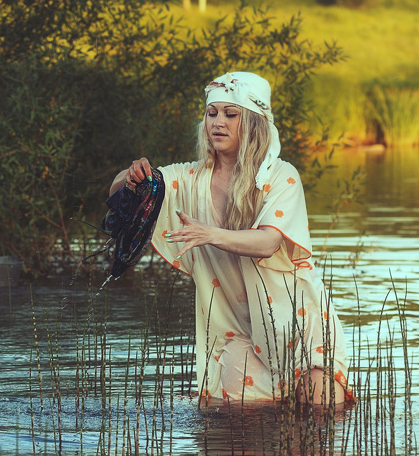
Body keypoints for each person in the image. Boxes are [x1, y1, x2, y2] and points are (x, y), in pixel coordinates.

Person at [109, 71, 352, 406]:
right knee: (240, 424)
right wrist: (132, 177)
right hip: (236, 332)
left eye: (230, 114)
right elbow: (117, 192)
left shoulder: (281, 176)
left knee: (320, 407)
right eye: (212, 113)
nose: (217, 122)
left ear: (253, 122)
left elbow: (268, 243)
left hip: (297, 325)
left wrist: (209, 234)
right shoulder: (189, 178)